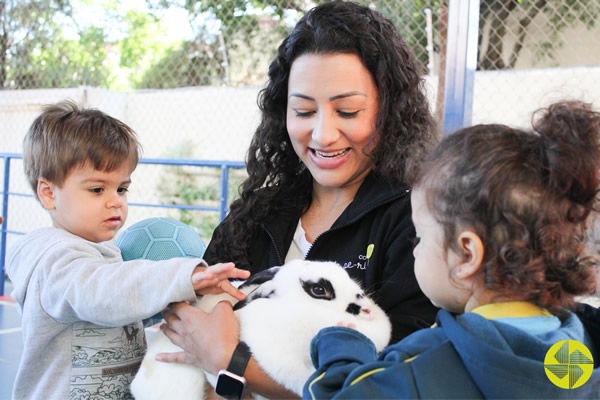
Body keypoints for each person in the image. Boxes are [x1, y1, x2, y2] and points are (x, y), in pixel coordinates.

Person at [157, 1, 439, 398]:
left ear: (389, 111)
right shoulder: (259, 212)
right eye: (304, 110)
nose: (323, 135)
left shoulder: (417, 225)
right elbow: (188, 328)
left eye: (347, 110)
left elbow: (392, 384)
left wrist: (230, 363)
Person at [304, 100, 600, 399]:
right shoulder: (580, 349)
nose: (415, 251)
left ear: (467, 255)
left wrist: (342, 344)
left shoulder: (423, 365)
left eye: (420, 237)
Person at [6, 100, 250, 400]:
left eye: (121, 188)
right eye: (97, 189)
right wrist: (183, 276)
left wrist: (168, 302)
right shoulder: (54, 259)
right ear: (48, 194)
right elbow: (100, 291)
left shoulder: (101, 254)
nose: (116, 201)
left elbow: (118, 305)